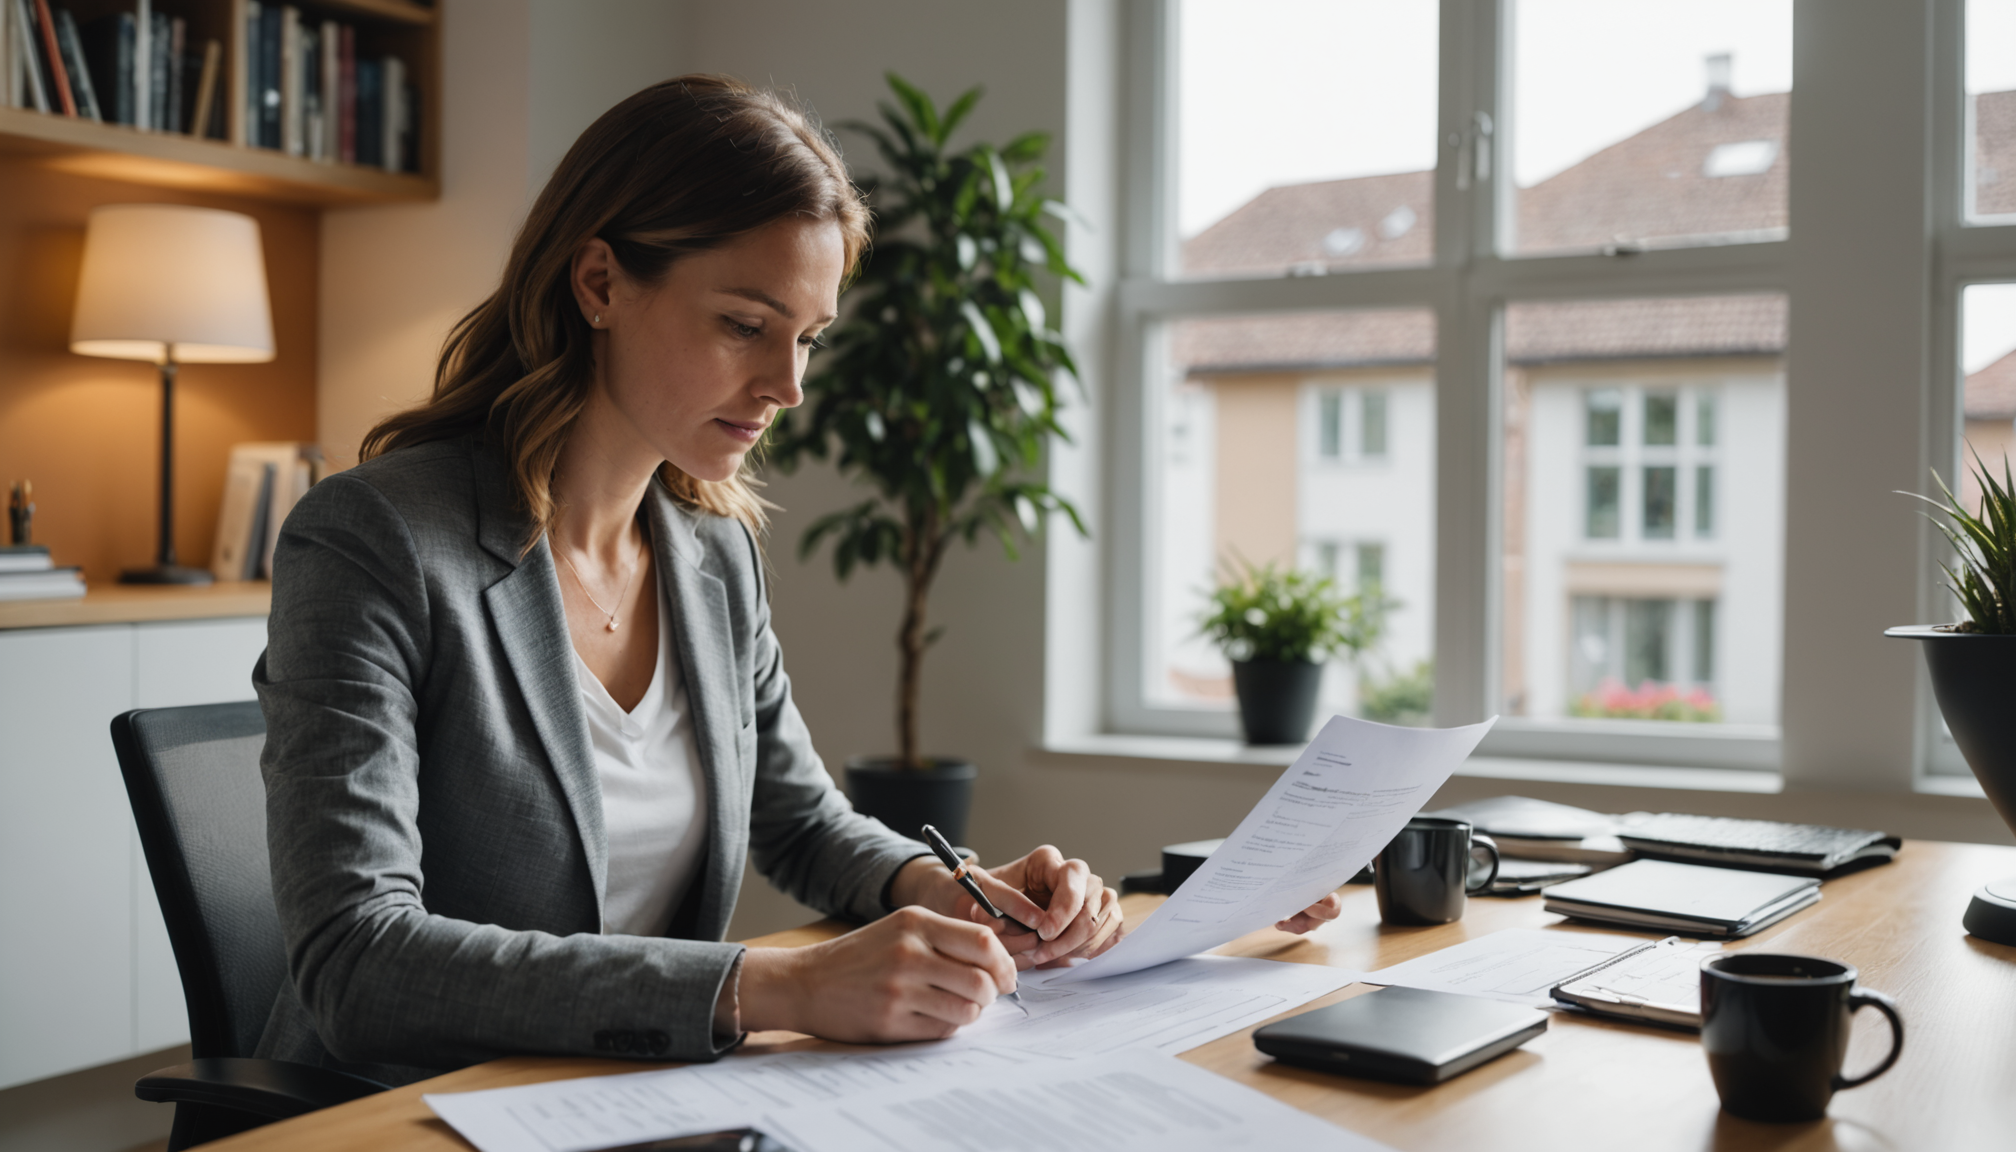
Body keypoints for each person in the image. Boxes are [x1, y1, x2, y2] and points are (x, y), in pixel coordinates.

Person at [253, 75, 1343, 1086]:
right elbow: (359, 960)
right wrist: (777, 986)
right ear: (599, 283)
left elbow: (802, 823)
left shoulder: (709, 554)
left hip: (625, 1096)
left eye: (809, 337)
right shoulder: (376, 541)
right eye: (745, 325)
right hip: (407, 1108)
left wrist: (958, 890)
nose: (788, 385)